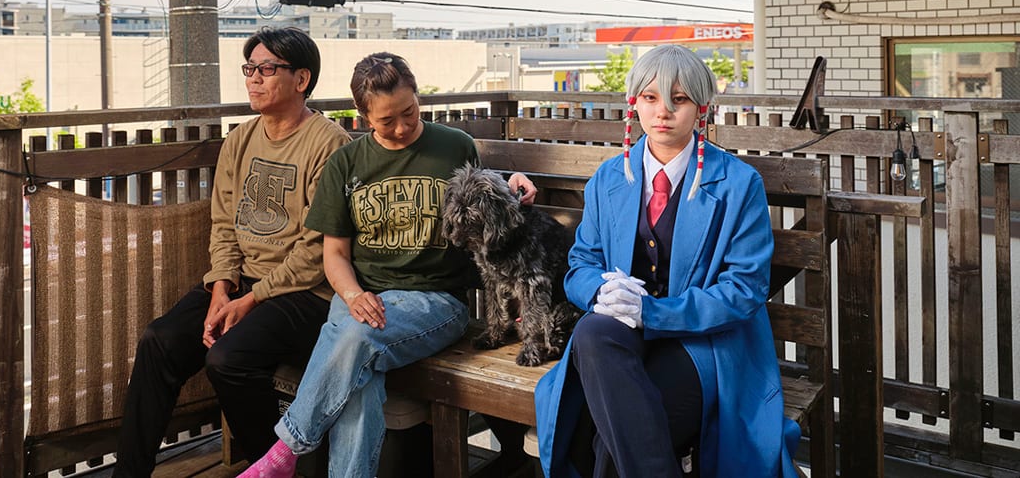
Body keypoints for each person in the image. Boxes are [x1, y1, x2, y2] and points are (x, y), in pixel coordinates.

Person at [239, 52, 536, 478]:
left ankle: (285, 452)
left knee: (356, 339)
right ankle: (290, 458)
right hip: (360, 299)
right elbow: (335, 255)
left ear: (417, 98)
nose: (401, 127)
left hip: (435, 301)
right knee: (359, 369)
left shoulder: (454, 145)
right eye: (386, 120)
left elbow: (483, 193)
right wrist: (354, 294)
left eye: (409, 112)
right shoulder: (346, 163)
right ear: (362, 117)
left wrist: (513, 182)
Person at [534, 45, 801, 478]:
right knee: (593, 328)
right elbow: (581, 263)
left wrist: (652, 312)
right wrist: (600, 290)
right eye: (650, 98)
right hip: (618, 342)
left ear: (701, 108)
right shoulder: (607, 179)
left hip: (705, 345)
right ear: (633, 103)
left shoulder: (738, 183)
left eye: (678, 100)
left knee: (605, 438)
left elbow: (744, 290)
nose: (663, 112)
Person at [113, 27, 352, 476]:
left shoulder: (329, 143)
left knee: (227, 359)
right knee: (160, 341)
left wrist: (252, 299)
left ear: (301, 80)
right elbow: (224, 223)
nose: (253, 79)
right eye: (250, 69)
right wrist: (221, 288)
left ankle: (271, 468)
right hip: (242, 285)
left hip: (305, 294)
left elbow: (317, 247)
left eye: (266, 69)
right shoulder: (240, 139)